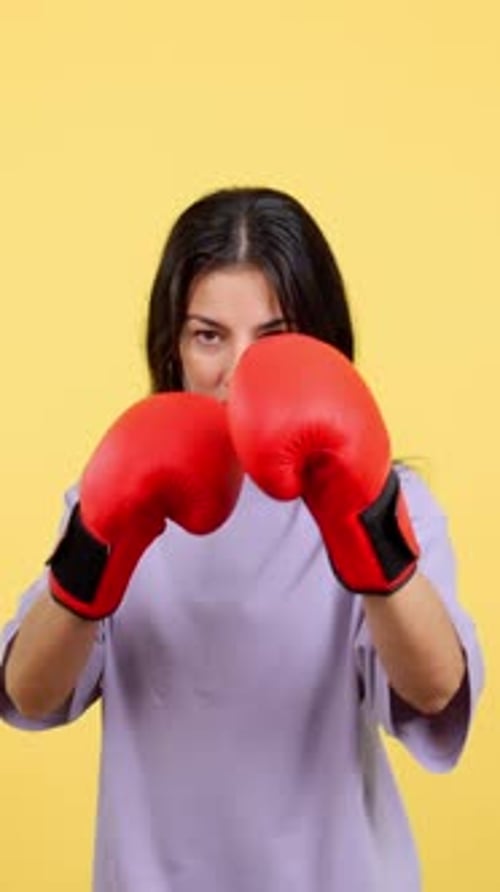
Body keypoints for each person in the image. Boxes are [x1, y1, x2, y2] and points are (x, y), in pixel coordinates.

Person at [0, 186, 483, 892]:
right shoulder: (122, 492)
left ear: (321, 340)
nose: (238, 374)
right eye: (208, 336)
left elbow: (436, 687)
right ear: (174, 346)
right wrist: (92, 552)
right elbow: (30, 691)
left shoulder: (389, 500)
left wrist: (368, 529)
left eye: (274, 338)